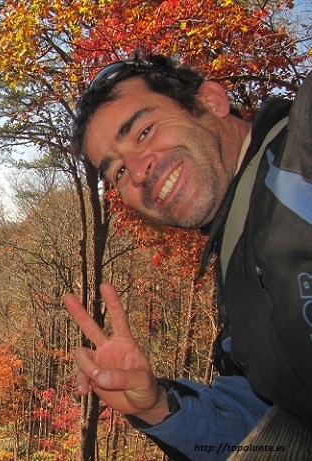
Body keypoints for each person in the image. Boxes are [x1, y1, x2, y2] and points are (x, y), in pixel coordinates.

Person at [65, 54, 312, 460]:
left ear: (212, 101)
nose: (138, 171)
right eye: (118, 173)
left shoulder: (300, 147)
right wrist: (158, 408)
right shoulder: (237, 288)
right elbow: (262, 438)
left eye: (144, 131)